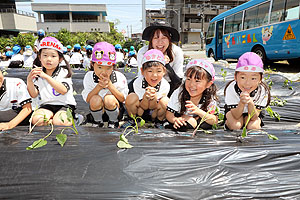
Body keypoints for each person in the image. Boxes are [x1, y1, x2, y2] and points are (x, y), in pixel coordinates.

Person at [27, 36, 77, 126]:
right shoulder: (38, 73)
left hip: (64, 105)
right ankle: (52, 121)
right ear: (39, 57)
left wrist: (46, 76)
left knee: (60, 122)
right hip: (46, 105)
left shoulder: (64, 72)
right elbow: (33, 94)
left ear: (60, 59)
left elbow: (63, 90)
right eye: (45, 55)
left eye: (53, 56)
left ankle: (73, 118)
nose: (49, 59)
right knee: (37, 120)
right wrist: (29, 81)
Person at [82, 42, 128, 128]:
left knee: (109, 99)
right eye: (100, 67)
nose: (103, 72)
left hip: (115, 111)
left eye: (108, 68)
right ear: (93, 64)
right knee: (95, 99)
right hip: (98, 111)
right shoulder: (89, 77)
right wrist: (99, 87)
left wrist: (110, 85)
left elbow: (122, 99)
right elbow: (88, 99)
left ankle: (113, 122)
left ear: (113, 66)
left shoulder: (119, 77)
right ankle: (98, 121)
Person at [166, 59, 218, 131]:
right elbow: (169, 114)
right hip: (182, 118)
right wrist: (175, 120)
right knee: (188, 123)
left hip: (201, 120)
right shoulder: (180, 92)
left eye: (197, 81)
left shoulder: (209, 97)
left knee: (206, 123)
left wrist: (198, 111)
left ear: (208, 84)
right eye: (188, 79)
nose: (191, 84)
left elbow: (214, 120)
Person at [122, 49, 170, 129]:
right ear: (142, 71)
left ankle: (159, 121)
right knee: (131, 97)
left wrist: (154, 97)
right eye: (150, 71)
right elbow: (143, 107)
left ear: (164, 71)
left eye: (158, 71)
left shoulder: (165, 85)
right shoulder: (137, 83)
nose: (154, 75)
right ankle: (133, 120)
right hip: (140, 110)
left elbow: (152, 107)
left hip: (154, 111)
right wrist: (145, 97)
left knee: (165, 101)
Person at [224, 52, 271, 130]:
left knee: (253, 127)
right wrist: (241, 103)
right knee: (235, 126)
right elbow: (236, 115)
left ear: (260, 79)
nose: (247, 83)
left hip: (253, 113)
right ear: (235, 77)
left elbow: (253, 117)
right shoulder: (231, 88)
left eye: (253, 78)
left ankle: (247, 122)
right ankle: (227, 123)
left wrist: (250, 103)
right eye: (243, 77)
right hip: (235, 112)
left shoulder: (262, 91)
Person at [137, 21, 184, 97]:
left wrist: (167, 65)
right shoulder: (143, 52)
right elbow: (141, 77)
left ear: (169, 40)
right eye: (156, 38)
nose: (160, 42)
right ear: (151, 40)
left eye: (164, 38)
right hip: (148, 86)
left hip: (170, 87)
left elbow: (178, 82)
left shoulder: (176, 51)